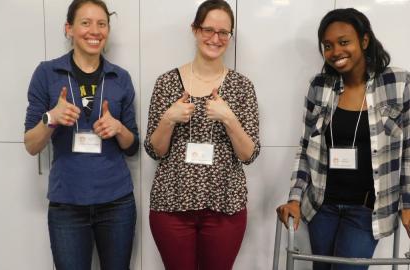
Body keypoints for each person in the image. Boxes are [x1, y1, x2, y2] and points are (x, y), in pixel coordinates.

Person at [276, 8, 410, 270]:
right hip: (322, 205)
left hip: (367, 210)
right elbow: (305, 148)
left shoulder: (398, 82)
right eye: (327, 45)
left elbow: (409, 151)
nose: (335, 51)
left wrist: (408, 204)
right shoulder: (320, 85)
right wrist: (294, 198)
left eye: (344, 42)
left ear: (364, 41)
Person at [144, 1, 260, 269]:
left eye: (223, 32)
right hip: (171, 204)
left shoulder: (242, 86)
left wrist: (229, 118)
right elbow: (155, 150)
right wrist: (169, 119)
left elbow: (249, 154)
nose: (215, 38)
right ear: (195, 30)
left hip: (225, 206)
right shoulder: (166, 83)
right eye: (208, 29)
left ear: (230, 37)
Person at [23, 0, 139, 269]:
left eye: (101, 24)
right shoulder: (47, 73)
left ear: (108, 30)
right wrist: (51, 118)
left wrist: (119, 128)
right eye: (85, 23)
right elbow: (31, 144)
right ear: (69, 29)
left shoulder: (120, 78)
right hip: (67, 204)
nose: (94, 31)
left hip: (117, 203)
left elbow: (132, 146)